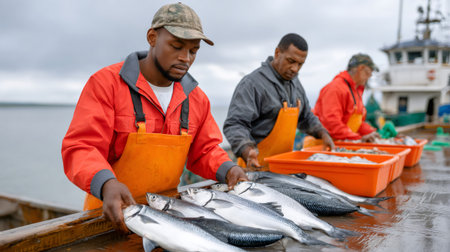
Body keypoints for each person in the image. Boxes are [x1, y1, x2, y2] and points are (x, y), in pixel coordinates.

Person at [61, 3, 247, 233]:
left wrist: (228, 169)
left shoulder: (197, 99)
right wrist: (106, 183)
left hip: (168, 218)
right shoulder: (106, 84)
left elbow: (205, 150)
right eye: (176, 46)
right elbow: (81, 147)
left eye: (193, 51)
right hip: (109, 218)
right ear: (152, 37)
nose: (185, 58)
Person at [223, 33, 334, 169]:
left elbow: (306, 117)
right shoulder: (252, 84)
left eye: (300, 64)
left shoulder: (295, 83)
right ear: (277, 53)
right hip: (256, 167)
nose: (295, 69)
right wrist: (246, 149)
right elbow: (235, 124)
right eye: (291, 61)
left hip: (283, 166)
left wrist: (323, 133)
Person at [313, 53, 379, 142]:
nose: (369, 77)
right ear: (361, 68)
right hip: (320, 145)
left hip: (341, 143)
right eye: (368, 73)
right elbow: (331, 123)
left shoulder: (356, 91)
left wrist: (373, 133)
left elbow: (357, 124)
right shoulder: (335, 88)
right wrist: (358, 138)